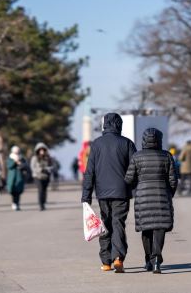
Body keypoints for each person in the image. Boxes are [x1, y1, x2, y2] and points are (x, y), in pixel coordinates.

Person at [81, 113, 136, 273]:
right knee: (118, 223)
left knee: (105, 224)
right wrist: (134, 187)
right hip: (122, 191)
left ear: (105, 124)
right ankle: (118, 258)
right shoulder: (127, 143)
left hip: (102, 193)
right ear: (119, 124)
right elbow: (135, 168)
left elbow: (89, 171)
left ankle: (106, 262)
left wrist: (86, 195)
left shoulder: (97, 144)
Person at [125, 128, 178, 274]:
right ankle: (156, 261)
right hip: (162, 196)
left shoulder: (137, 156)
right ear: (159, 140)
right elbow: (173, 180)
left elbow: (129, 179)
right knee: (160, 228)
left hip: (143, 197)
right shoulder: (166, 156)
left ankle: (148, 260)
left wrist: (137, 189)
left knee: (146, 229)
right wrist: (169, 194)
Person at [30, 142, 53, 211]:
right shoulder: (34, 158)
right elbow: (32, 167)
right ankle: (41, 205)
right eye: (40, 150)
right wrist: (40, 170)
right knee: (40, 190)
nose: (42, 151)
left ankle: (43, 202)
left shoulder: (48, 158)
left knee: (44, 190)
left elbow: (52, 166)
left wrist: (47, 169)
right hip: (37, 176)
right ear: (38, 150)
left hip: (46, 177)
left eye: (43, 150)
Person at [7, 146, 28, 211]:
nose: (16, 152)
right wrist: (14, 162)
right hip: (12, 177)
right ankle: (14, 203)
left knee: (18, 191)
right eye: (15, 151)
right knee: (12, 191)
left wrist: (20, 163)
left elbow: (25, 166)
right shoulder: (10, 158)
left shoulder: (22, 158)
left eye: (17, 151)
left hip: (19, 177)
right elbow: (9, 166)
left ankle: (17, 203)